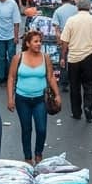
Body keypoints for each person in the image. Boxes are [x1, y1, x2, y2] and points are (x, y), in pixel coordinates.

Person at [6, 31, 60, 164]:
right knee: (26, 129)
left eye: (40, 41)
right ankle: (28, 157)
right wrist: (10, 98)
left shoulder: (45, 58)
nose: (39, 44)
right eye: (35, 41)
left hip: (40, 99)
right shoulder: (18, 58)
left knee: (41, 129)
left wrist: (57, 94)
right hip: (22, 99)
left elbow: (50, 77)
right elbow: (11, 78)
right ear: (28, 43)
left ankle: (38, 154)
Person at [59, 0, 92, 123]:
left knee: (74, 86)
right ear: (89, 7)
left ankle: (76, 112)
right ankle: (88, 106)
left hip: (73, 58)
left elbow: (64, 41)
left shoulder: (71, 21)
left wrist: (63, 57)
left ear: (77, 7)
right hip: (90, 57)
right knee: (89, 84)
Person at [0, 0, 21, 86]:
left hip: (10, 35)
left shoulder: (12, 4)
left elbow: (16, 22)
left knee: (11, 57)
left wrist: (16, 36)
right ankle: (1, 77)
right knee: (0, 56)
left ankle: (11, 76)